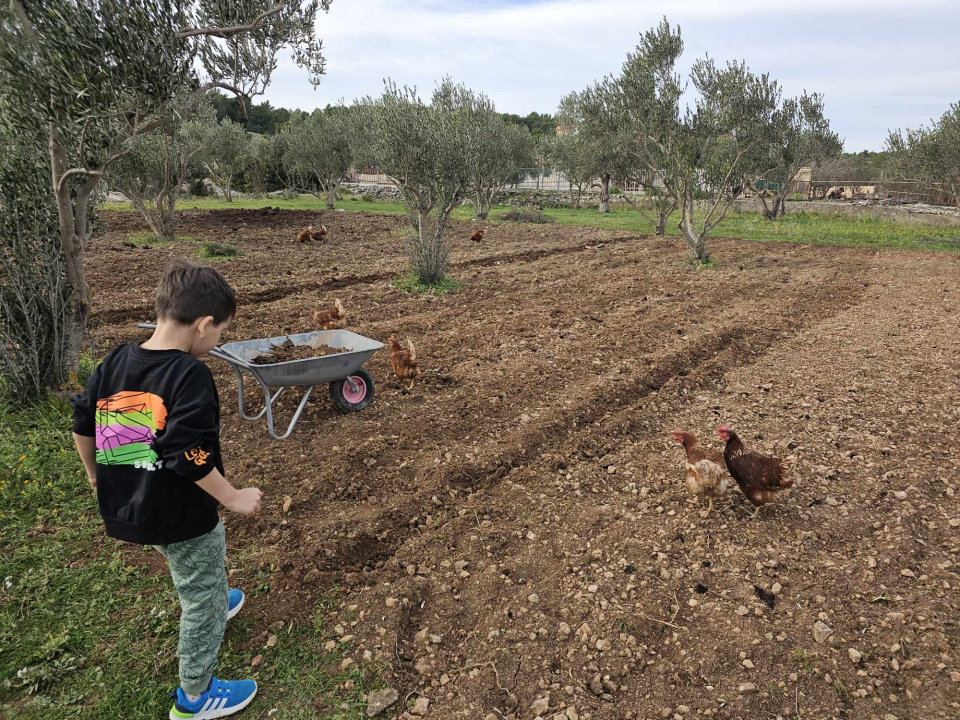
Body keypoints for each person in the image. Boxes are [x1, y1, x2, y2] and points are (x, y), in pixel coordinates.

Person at [71, 259, 263, 720]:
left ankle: (211, 593)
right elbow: (188, 452)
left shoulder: (118, 360)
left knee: (189, 567)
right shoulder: (188, 375)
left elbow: (82, 420)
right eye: (220, 333)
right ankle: (195, 697)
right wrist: (232, 496)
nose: (217, 343)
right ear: (203, 324)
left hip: (131, 505)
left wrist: (96, 474)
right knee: (203, 593)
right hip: (180, 514)